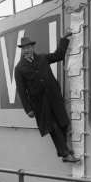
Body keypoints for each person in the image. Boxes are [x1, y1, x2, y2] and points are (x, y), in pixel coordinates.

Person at [15, 34, 80, 163]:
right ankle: (65, 154)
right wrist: (28, 109)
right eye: (24, 48)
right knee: (53, 127)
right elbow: (21, 91)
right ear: (22, 50)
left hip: (54, 97)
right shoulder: (19, 68)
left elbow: (59, 55)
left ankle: (63, 150)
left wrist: (64, 39)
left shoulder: (43, 58)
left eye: (29, 47)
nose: (27, 50)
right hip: (40, 104)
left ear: (33, 48)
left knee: (63, 123)